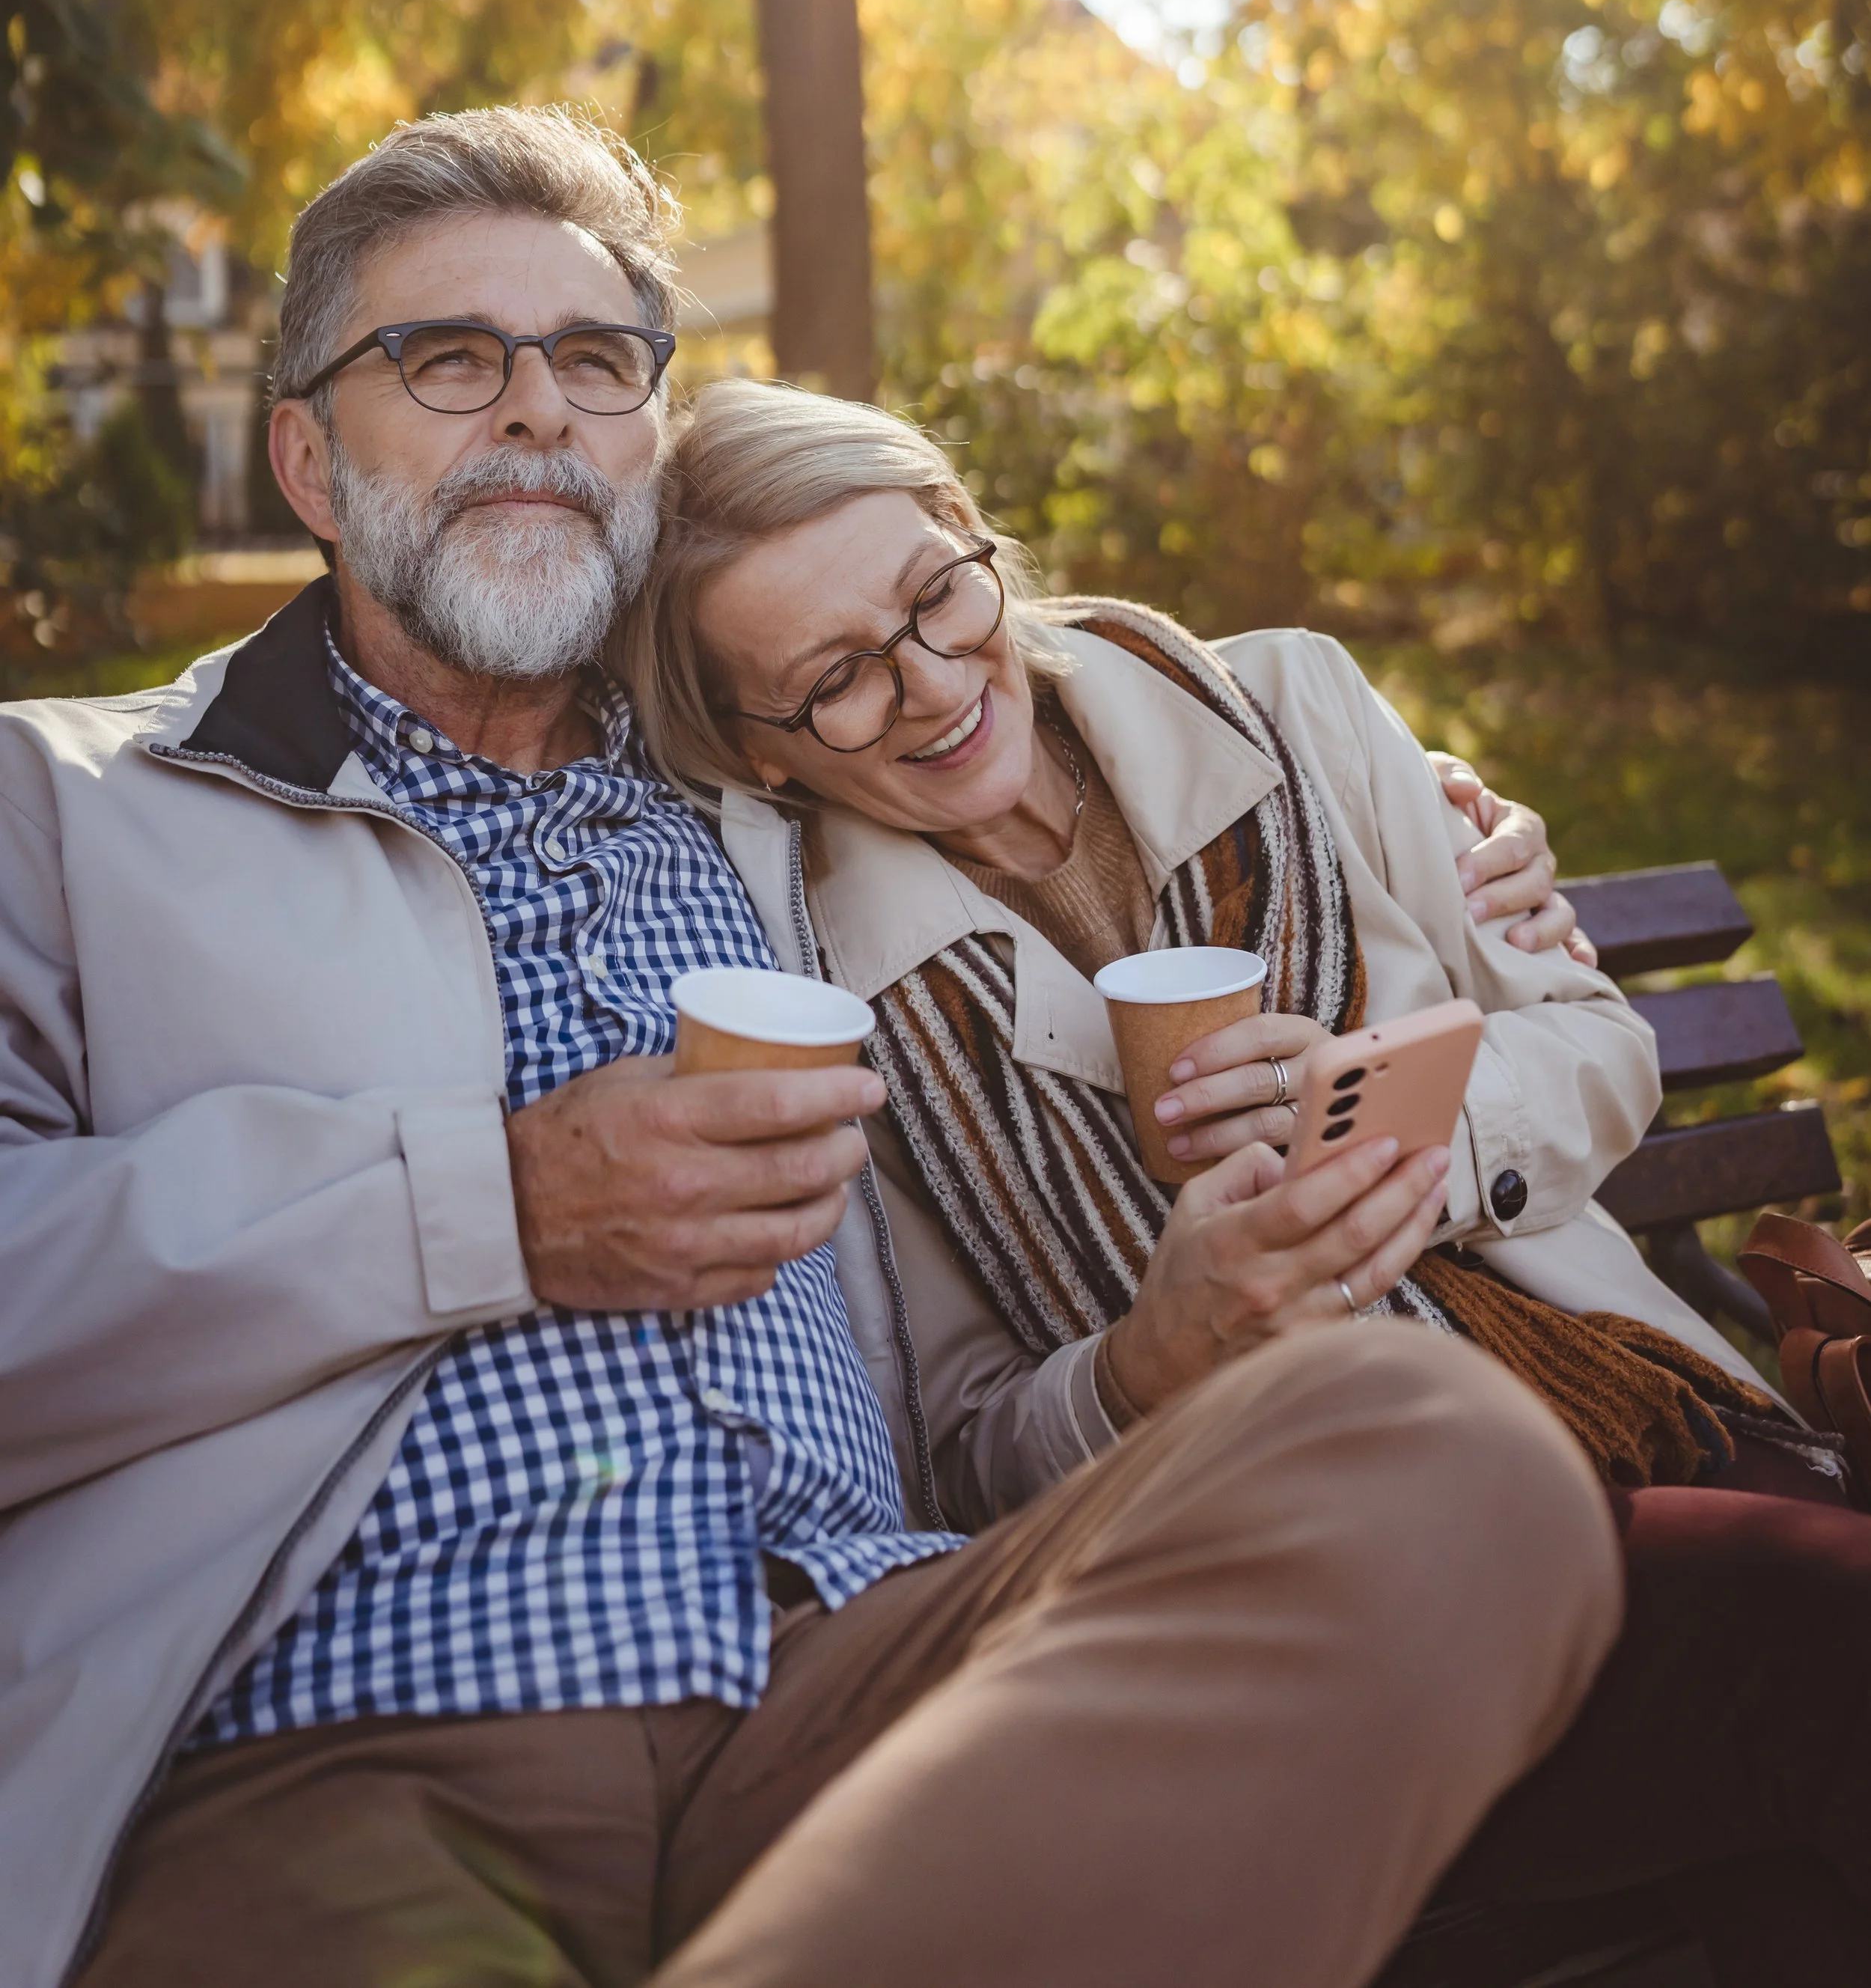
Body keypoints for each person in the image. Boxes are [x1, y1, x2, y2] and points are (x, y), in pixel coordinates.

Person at [0, 106, 1854, 1988]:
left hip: (864, 1659)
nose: (538, 412)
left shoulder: (765, 832)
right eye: (449, 361)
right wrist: (494, 1200)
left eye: (595, 360)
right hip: (361, 1718)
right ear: (308, 457)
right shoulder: (69, 816)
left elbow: (1080, 764)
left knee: (1432, 1450)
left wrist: (1462, 861)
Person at [625, 379, 1813, 1507]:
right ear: (755, 749)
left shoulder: (1297, 706)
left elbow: (1601, 1049)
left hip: (1609, 1397)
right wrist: (1147, 1361)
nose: (934, 684)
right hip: (1257, 1522)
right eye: (840, 678)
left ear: (967, 527)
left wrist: (1392, 1141)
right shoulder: (827, 1003)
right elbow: (957, 1450)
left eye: (937, 594)